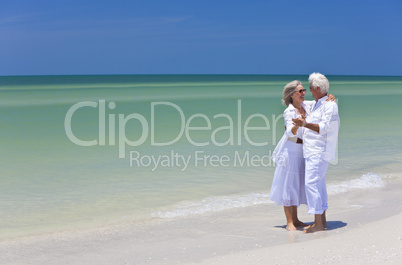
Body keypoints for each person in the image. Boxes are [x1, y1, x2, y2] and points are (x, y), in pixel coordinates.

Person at [292, 72, 340, 233]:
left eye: (311, 88)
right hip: (312, 150)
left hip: (319, 151)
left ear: (318, 88)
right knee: (318, 185)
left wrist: (304, 124)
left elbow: (324, 128)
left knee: (311, 184)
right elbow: (301, 103)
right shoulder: (318, 103)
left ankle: (317, 223)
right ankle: (322, 222)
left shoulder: (329, 105)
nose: (309, 91)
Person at [270, 80, 313, 231]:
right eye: (300, 91)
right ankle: (289, 222)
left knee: (297, 184)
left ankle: (296, 219)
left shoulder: (307, 105)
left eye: (304, 90)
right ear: (291, 95)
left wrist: (330, 97)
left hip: (304, 150)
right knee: (288, 184)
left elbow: (321, 105)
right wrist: (297, 124)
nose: (303, 93)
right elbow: (289, 132)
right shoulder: (289, 111)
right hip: (291, 150)